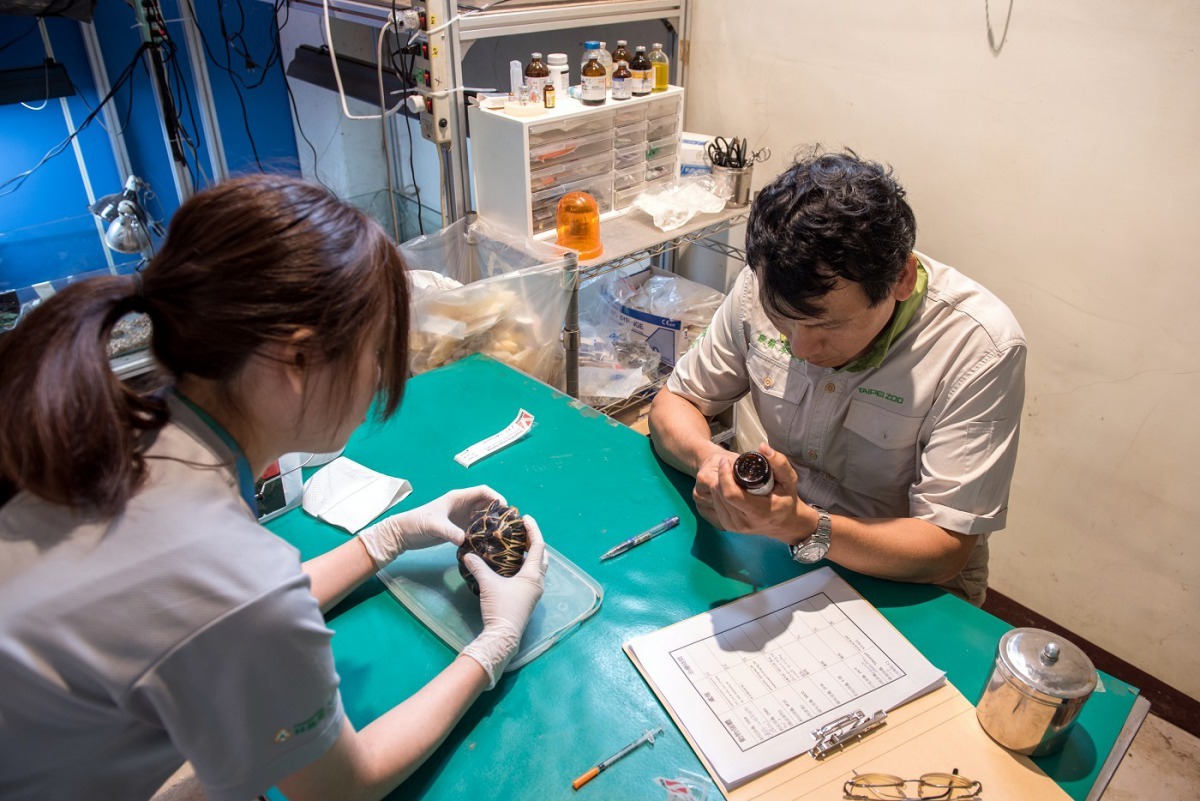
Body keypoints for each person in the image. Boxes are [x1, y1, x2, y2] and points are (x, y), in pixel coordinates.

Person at [0, 174, 548, 801]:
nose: (378, 378)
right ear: (297, 360)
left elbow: (210, 615)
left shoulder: (126, 428)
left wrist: (387, 538)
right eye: (375, 352)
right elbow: (344, 784)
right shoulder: (225, 569)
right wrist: (492, 648)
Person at [649, 149, 1025, 606]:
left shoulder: (979, 346)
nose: (801, 349)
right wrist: (710, 460)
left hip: (902, 579)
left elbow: (943, 551)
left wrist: (804, 525)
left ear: (901, 279)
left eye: (828, 326)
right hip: (781, 545)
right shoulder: (762, 282)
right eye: (782, 321)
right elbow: (676, 402)